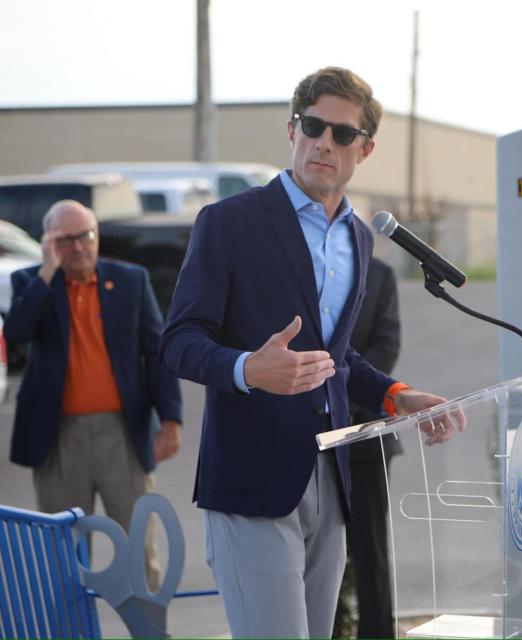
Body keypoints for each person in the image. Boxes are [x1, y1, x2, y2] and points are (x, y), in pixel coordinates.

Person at [160, 66, 462, 639]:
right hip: (252, 481)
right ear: (292, 130)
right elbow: (179, 342)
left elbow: (335, 359)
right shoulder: (229, 223)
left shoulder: (358, 238)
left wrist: (396, 395)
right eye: (313, 126)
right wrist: (248, 368)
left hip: (333, 479)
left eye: (342, 134)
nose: (325, 141)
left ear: (364, 149)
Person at [4, 200, 183, 590]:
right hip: (58, 437)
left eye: (84, 236)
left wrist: (170, 419)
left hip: (122, 432)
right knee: (64, 550)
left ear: (96, 235)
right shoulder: (32, 283)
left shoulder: (131, 280)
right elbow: (16, 333)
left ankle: (149, 633)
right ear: (49, 243)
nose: (77, 247)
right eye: (64, 240)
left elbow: (157, 354)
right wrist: (48, 271)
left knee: (139, 542)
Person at [344, 256, 402, 638]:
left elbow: (386, 345)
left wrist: (342, 404)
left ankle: (377, 633)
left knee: (371, 552)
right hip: (305, 440)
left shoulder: (379, 274)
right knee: (314, 552)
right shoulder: (296, 269)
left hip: (364, 436)